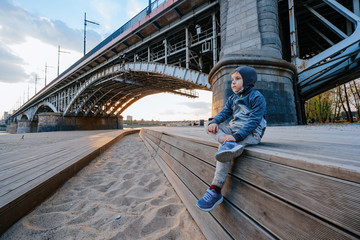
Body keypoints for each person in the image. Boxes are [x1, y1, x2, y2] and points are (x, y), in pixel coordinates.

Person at [196, 66, 267, 212]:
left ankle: (215, 189)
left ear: (247, 80)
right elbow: (224, 113)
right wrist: (215, 122)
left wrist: (236, 137)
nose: (233, 83)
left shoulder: (257, 97)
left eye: (237, 79)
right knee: (208, 124)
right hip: (232, 132)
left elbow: (253, 122)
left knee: (223, 152)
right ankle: (227, 143)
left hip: (250, 134)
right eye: (232, 80)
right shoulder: (232, 98)